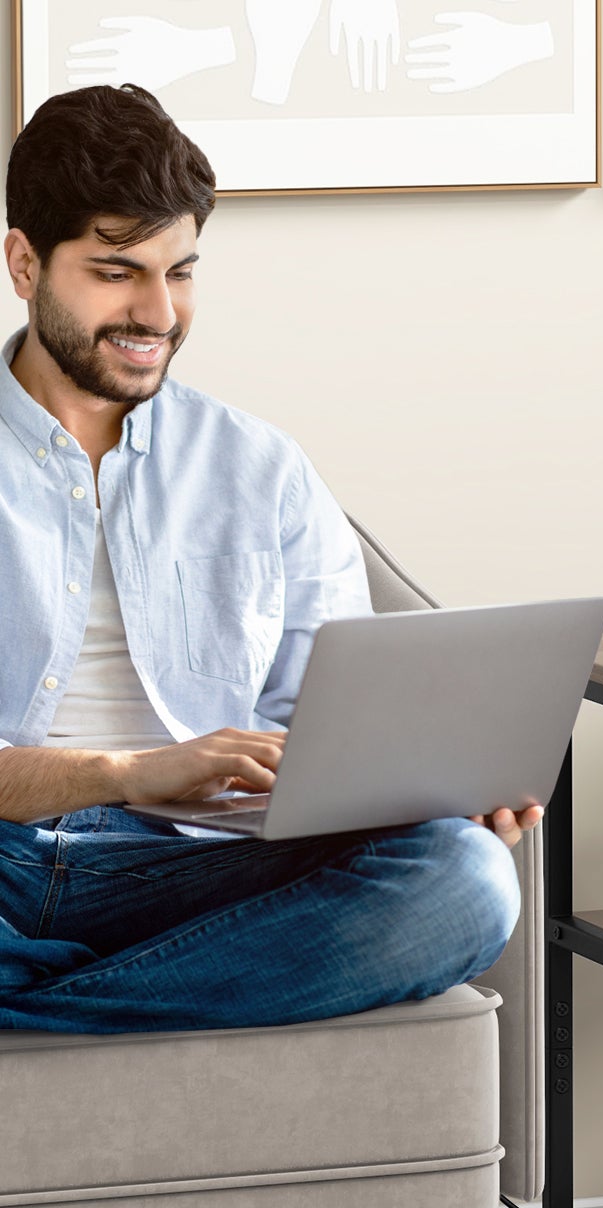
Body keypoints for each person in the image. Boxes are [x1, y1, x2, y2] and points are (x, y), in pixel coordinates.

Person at [0, 84, 537, 1034]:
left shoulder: (259, 469)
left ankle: (45, 1004)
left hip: (201, 861)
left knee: (467, 878)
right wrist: (128, 773)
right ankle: (195, 982)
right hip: (7, 859)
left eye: (182, 272)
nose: (157, 313)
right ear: (24, 264)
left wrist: (432, 783)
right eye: (117, 272)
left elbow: (326, 727)